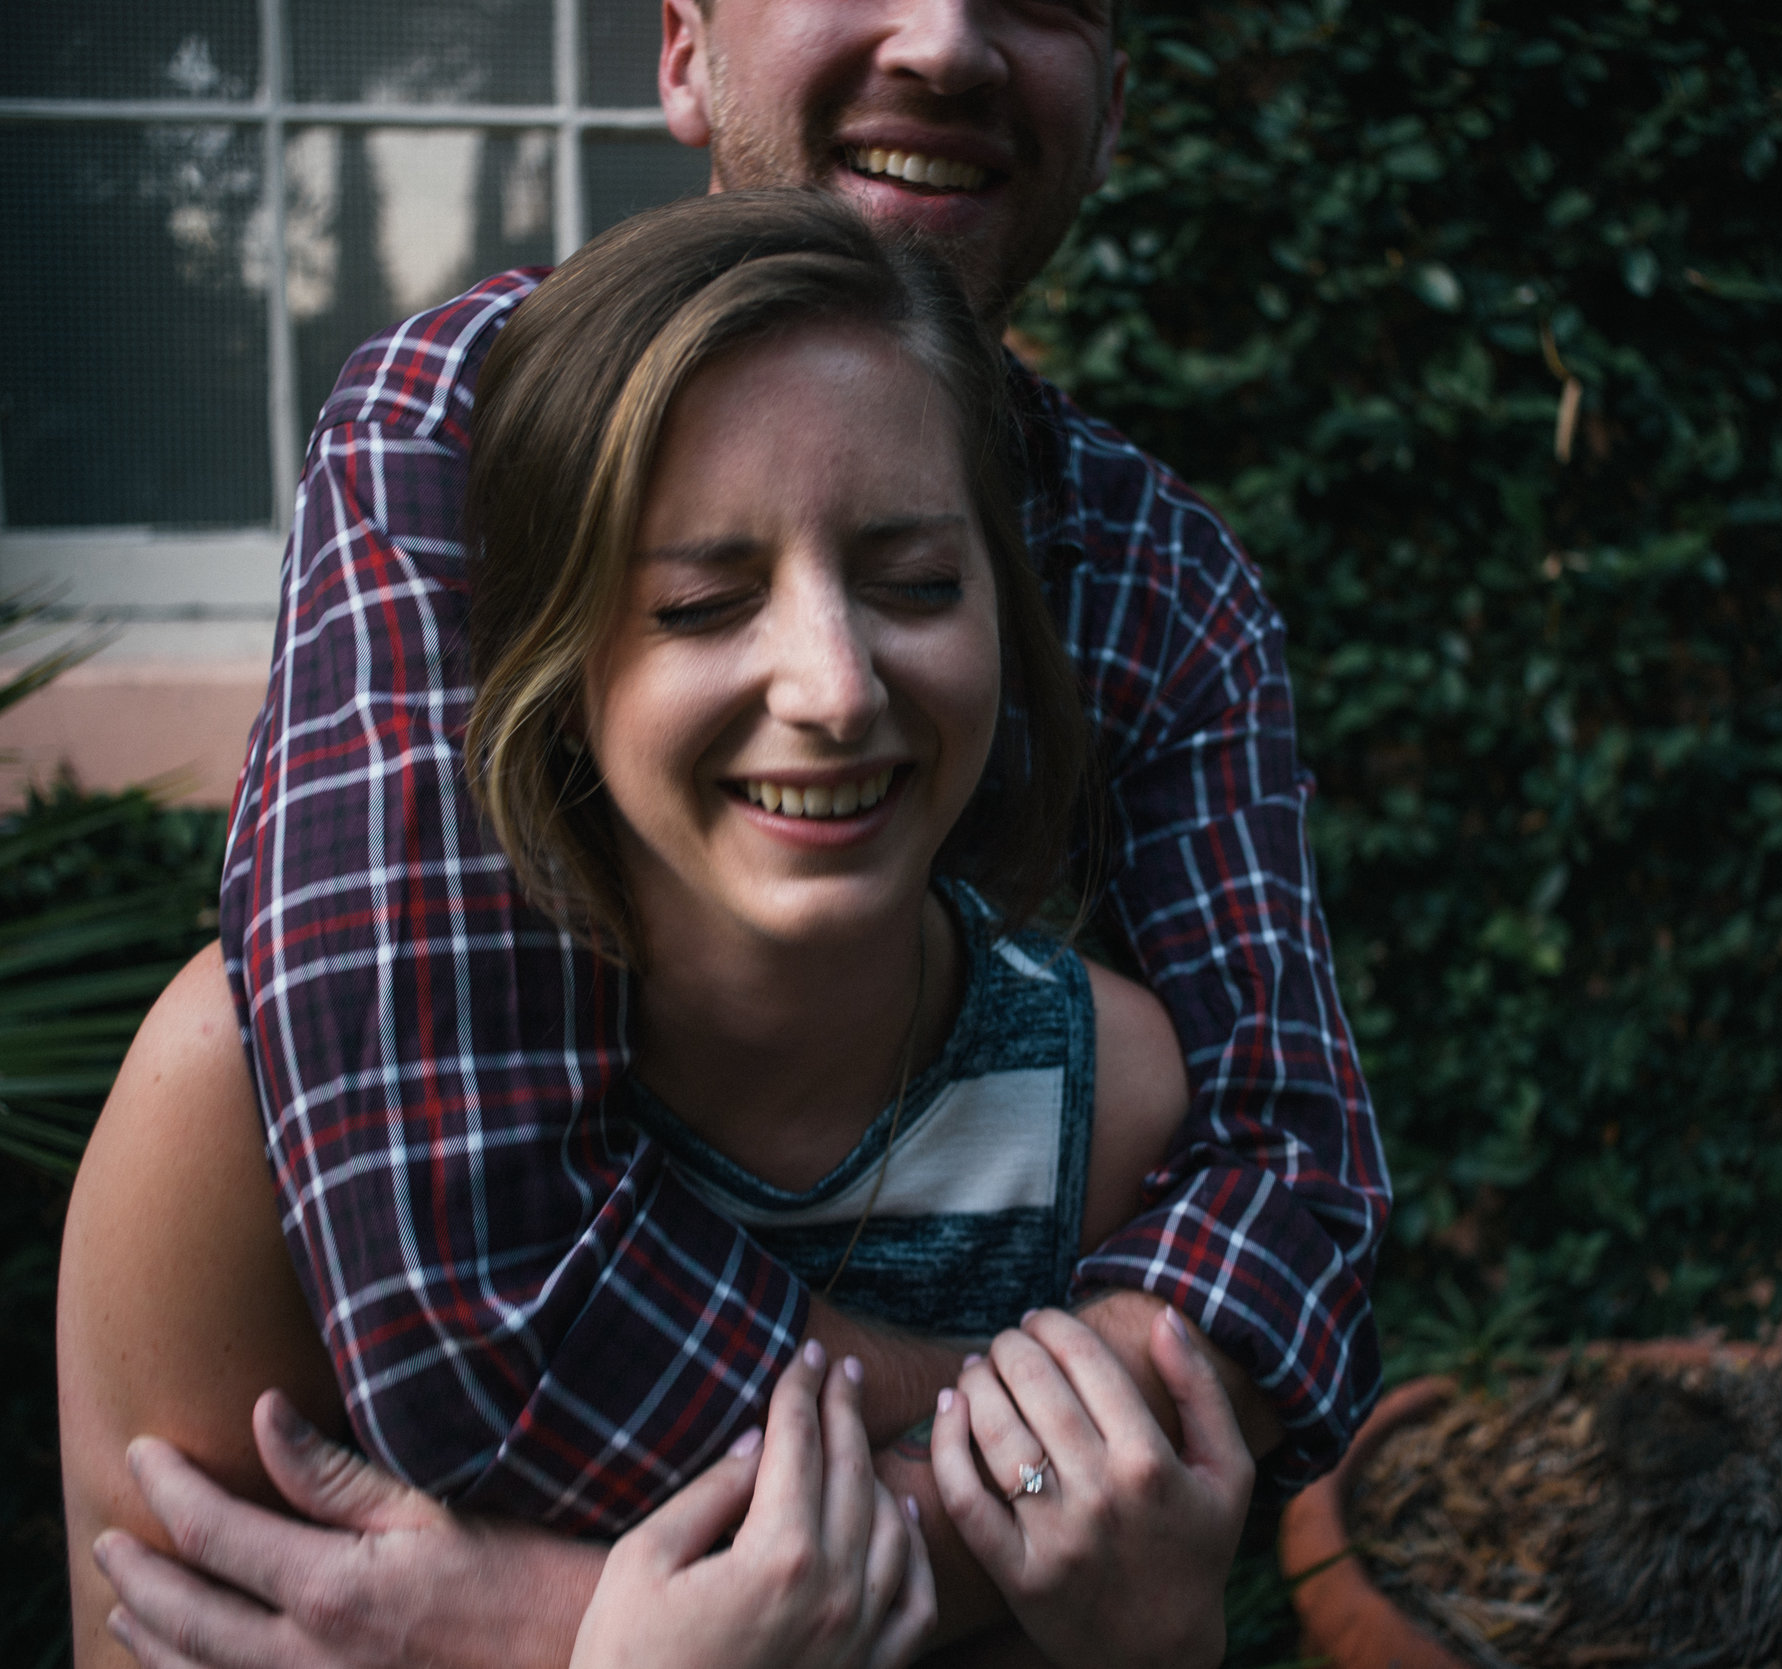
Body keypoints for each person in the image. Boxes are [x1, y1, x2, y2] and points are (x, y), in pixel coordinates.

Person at [122, 0, 1387, 1656]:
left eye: (921, 581)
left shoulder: (1168, 591)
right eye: (703, 591)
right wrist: (1027, 1466)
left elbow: (1293, 1217)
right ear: (680, 47)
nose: (944, 39)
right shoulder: (462, 426)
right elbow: (470, 1303)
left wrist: (554, 1620)